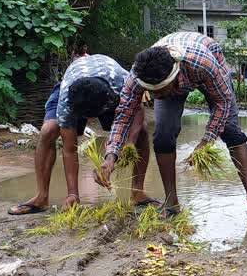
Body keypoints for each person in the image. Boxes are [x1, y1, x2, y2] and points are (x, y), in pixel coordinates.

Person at [95, 32, 247, 219]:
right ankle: (172, 202)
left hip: (208, 65)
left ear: (173, 78)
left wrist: (206, 141)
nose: (155, 97)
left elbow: (223, 102)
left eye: (159, 91)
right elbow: (123, 116)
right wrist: (110, 157)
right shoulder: (138, 75)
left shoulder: (202, 64)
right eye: (151, 92)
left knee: (231, 131)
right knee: (163, 135)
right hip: (174, 73)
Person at [8, 54, 152, 215]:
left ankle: (137, 193)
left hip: (108, 87)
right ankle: (41, 198)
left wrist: (129, 142)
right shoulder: (67, 99)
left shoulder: (123, 84)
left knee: (142, 130)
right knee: (48, 131)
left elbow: (138, 109)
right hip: (75, 85)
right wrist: (73, 194)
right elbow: (70, 149)